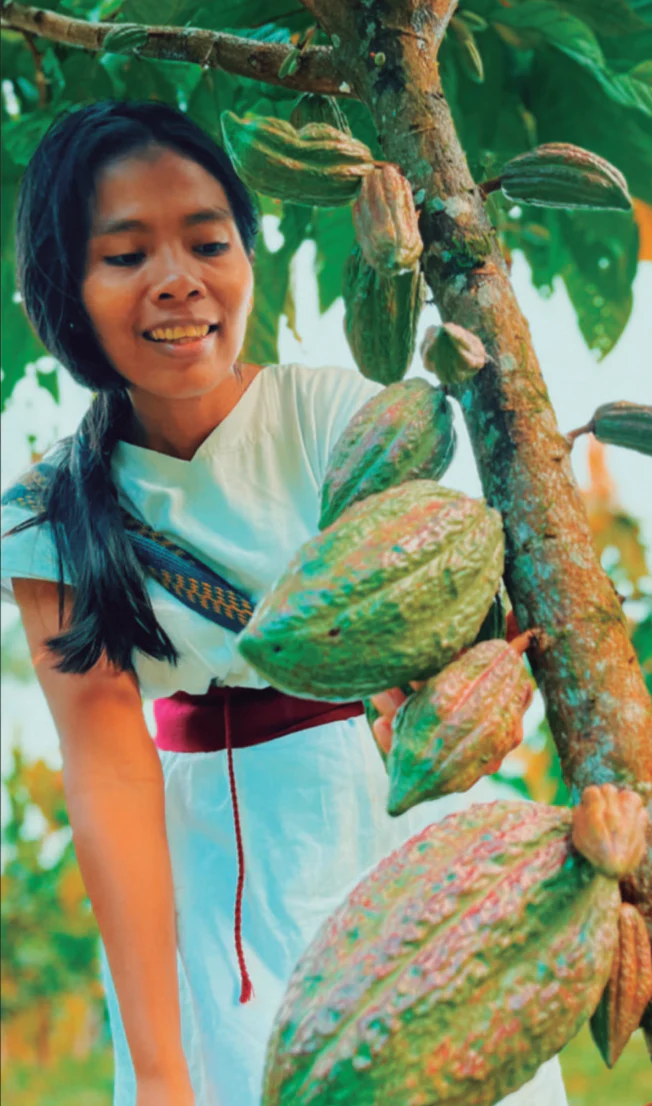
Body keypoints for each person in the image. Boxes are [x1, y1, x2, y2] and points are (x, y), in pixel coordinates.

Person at [0, 100, 568, 1106]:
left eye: (206, 240)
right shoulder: (48, 510)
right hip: (211, 881)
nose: (177, 277)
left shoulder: (333, 414)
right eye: (126, 255)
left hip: (394, 822)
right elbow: (108, 777)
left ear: (244, 257)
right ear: (63, 287)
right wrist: (163, 1067)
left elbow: (445, 609)